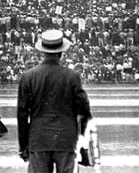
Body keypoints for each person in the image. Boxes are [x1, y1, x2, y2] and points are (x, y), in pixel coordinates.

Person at [17, 29, 91, 173]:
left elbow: (22, 115)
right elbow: (85, 113)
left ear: (42, 51)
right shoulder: (73, 76)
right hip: (67, 140)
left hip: (38, 140)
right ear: (61, 52)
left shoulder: (28, 77)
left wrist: (23, 145)